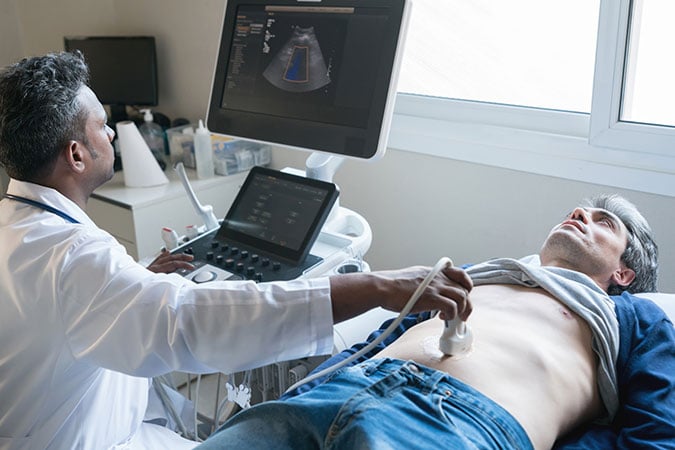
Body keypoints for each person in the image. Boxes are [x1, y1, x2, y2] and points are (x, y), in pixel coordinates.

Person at [0, 52, 468, 449]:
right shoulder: (75, 258)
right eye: (103, 126)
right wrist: (374, 285)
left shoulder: (22, 228)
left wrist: (137, 277)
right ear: (77, 156)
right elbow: (190, 321)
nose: (114, 135)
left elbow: (66, 306)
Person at [197, 194, 675, 450]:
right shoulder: (477, 275)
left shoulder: (634, 317)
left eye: (602, 222)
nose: (579, 213)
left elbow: (654, 433)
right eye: (579, 209)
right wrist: (299, 394)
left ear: (623, 273)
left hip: (456, 421)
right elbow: (379, 340)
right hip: (338, 393)